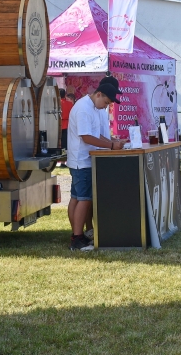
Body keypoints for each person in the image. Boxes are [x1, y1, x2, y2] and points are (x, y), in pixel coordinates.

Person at [66, 83, 126, 251]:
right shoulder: (85, 108)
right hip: (82, 160)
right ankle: (76, 239)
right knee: (84, 199)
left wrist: (111, 142)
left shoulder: (90, 106)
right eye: (106, 102)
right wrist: (111, 146)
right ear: (98, 94)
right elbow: (86, 137)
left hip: (81, 159)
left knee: (78, 198)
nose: (106, 106)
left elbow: (93, 134)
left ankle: (77, 235)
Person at [59, 89, 74, 168]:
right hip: (68, 125)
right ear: (65, 95)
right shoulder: (69, 104)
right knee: (66, 145)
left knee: (58, 144)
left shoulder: (57, 103)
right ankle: (63, 161)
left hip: (57, 125)